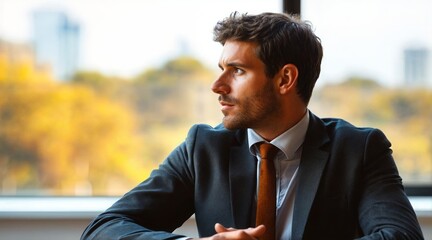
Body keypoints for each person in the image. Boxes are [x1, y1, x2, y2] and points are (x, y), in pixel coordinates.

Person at [81, 12, 424, 240]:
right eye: (221, 69)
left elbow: (400, 238)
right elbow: (103, 229)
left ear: (285, 79)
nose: (217, 86)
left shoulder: (359, 150)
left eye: (238, 71)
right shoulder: (203, 148)